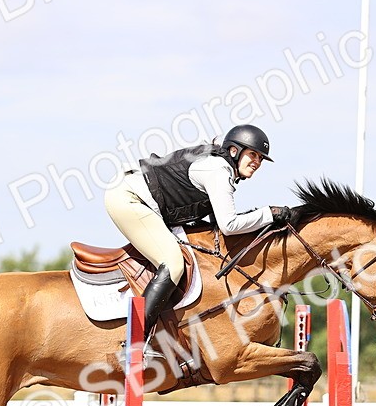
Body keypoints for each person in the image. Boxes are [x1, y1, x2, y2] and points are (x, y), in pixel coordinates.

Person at [104, 124, 294, 332]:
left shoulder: (220, 167)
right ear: (234, 151)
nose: (257, 162)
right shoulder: (219, 171)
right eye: (253, 154)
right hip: (130, 198)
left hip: (139, 199)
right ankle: (135, 337)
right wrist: (269, 214)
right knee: (173, 264)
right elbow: (229, 225)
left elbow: (217, 226)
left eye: (261, 158)